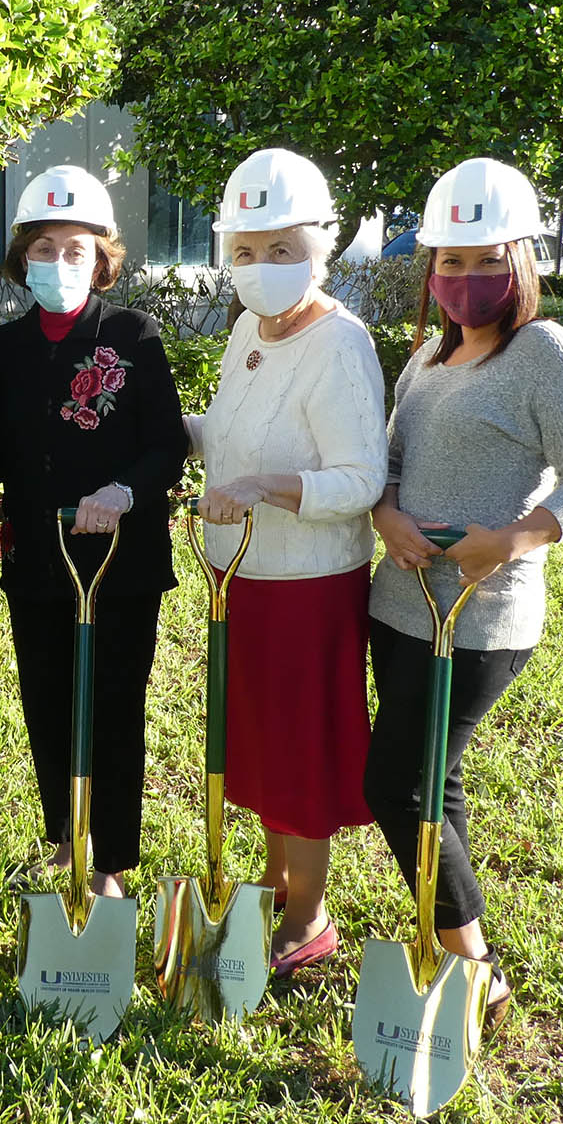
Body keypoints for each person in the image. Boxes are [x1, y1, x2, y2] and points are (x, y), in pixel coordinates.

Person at [364, 157, 563, 1024]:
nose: (467, 277)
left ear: (521, 261)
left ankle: (475, 967)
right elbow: (389, 464)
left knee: (397, 786)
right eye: (452, 261)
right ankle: (454, 951)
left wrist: (511, 540)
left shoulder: (546, 354)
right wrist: (387, 516)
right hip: (401, 606)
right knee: (434, 783)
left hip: (482, 617)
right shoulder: (427, 359)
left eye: (486, 260)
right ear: (431, 269)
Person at [185, 147, 388, 976]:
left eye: (281, 248)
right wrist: (163, 428)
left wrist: (265, 487)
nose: (261, 264)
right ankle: (275, 881)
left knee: (300, 751)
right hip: (243, 576)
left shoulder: (340, 343)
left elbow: (361, 477)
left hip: (309, 585)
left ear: (320, 248)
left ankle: (308, 915)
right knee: (263, 743)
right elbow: (231, 429)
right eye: (246, 249)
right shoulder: (248, 330)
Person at [0, 166, 187, 898]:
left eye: (76, 250)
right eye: (44, 248)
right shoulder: (3, 348)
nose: (60, 262)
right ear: (23, 258)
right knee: (47, 702)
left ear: (102, 259)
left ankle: (110, 863)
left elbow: (166, 443)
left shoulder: (133, 335)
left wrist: (122, 491)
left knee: (113, 704)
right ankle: (66, 837)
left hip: (120, 561)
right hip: (37, 558)